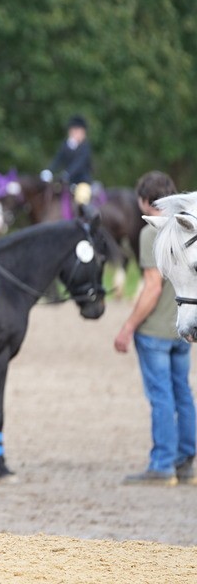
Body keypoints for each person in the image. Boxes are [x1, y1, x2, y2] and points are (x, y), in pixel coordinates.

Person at [114, 170, 195, 485]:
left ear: (146, 201)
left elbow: (150, 287)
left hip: (155, 332)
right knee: (183, 394)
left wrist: (128, 326)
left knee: (161, 397)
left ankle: (161, 464)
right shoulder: (190, 230)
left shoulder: (154, 232)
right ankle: (186, 463)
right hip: (182, 327)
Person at [42, 115, 93, 210]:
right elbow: (58, 159)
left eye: (78, 131)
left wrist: (67, 173)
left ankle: (85, 223)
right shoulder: (66, 145)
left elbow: (79, 164)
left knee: (81, 199)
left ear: (83, 133)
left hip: (81, 181)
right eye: (73, 130)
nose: (75, 133)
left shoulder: (85, 147)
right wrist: (49, 170)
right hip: (66, 182)